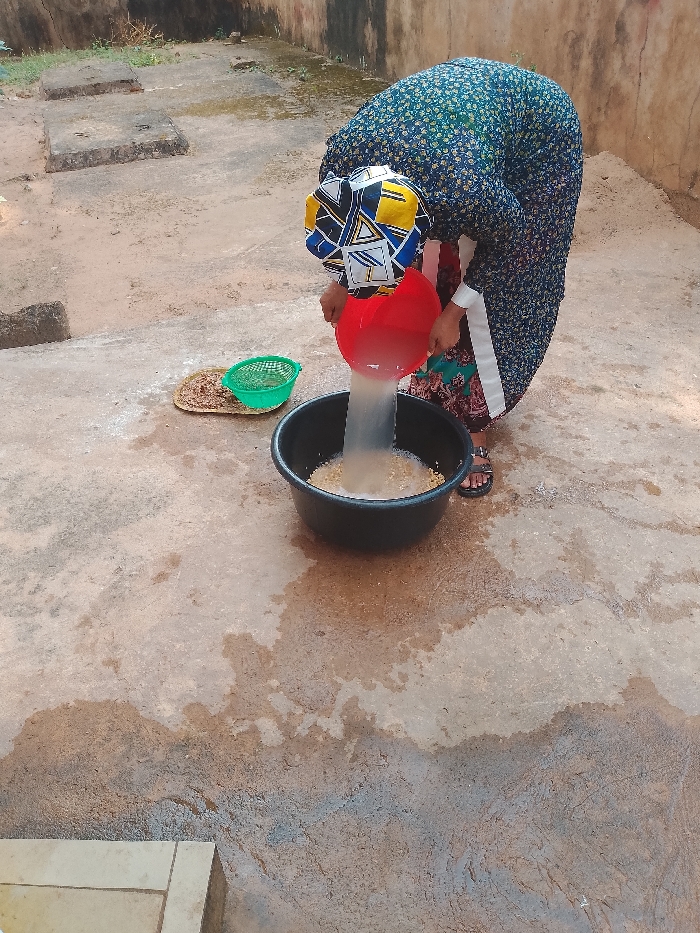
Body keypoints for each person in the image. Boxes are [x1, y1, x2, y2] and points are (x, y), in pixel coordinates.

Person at [305, 57, 583, 497]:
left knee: (501, 287)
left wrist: (452, 313)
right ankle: (439, 385)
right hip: (451, 128)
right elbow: (355, 231)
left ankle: (474, 425)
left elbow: (508, 241)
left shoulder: (465, 191)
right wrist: (341, 279)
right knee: (434, 272)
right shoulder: (340, 169)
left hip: (539, 138)